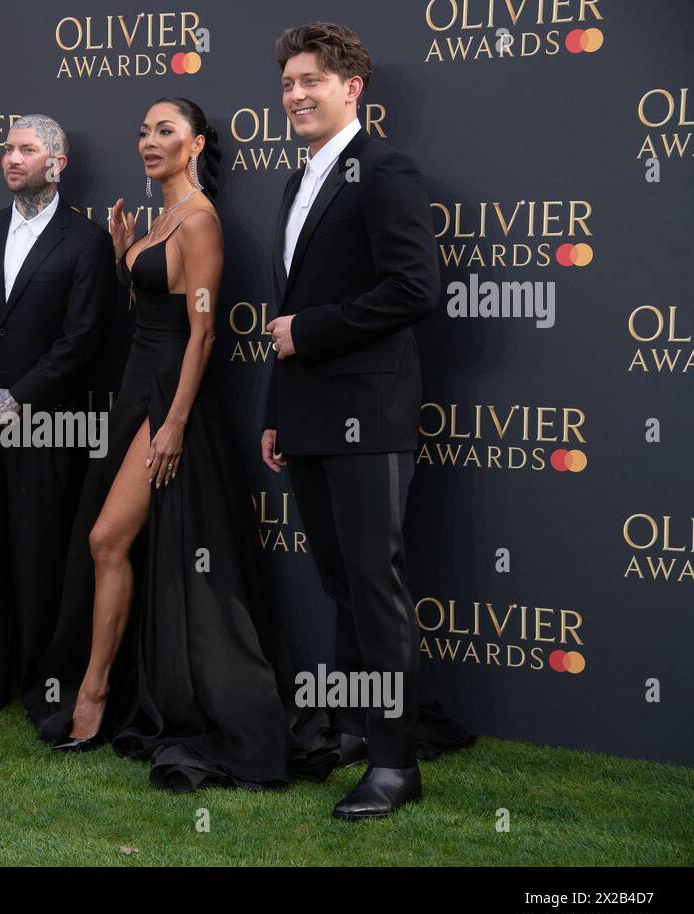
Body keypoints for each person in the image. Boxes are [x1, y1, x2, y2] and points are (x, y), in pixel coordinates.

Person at [23, 97, 338, 793]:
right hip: (137, 387)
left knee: (107, 540)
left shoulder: (199, 221)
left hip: (170, 397)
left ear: (196, 145)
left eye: (165, 130)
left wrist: (174, 424)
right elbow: (151, 308)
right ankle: (106, 688)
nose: (149, 140)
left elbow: (202, 333)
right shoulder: (159, 218)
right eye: (142, 130)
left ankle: (96, 696)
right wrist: (119, 252)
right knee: (113, 545)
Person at [259, 22, 471, 818]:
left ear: (353, 88)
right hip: (309, 414)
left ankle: (395, 765)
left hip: (369, 414)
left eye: (311, 81)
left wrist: (309, 333)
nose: (295, 95)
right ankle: (359, 726)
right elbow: (285, 308)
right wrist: (276, 411)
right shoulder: (295, 180)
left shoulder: (385, 169)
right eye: (287, 84)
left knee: (374, 587)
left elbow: (416, 289)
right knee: (343, 586)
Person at [0, 114, 115, 721]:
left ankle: (46, 688)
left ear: (56, 164)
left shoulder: (84, 240)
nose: (11, 158)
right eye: (7, 148)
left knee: (39, 557)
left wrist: (20, 399)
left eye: (26, 149)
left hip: (47, 428)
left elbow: (85, 338)